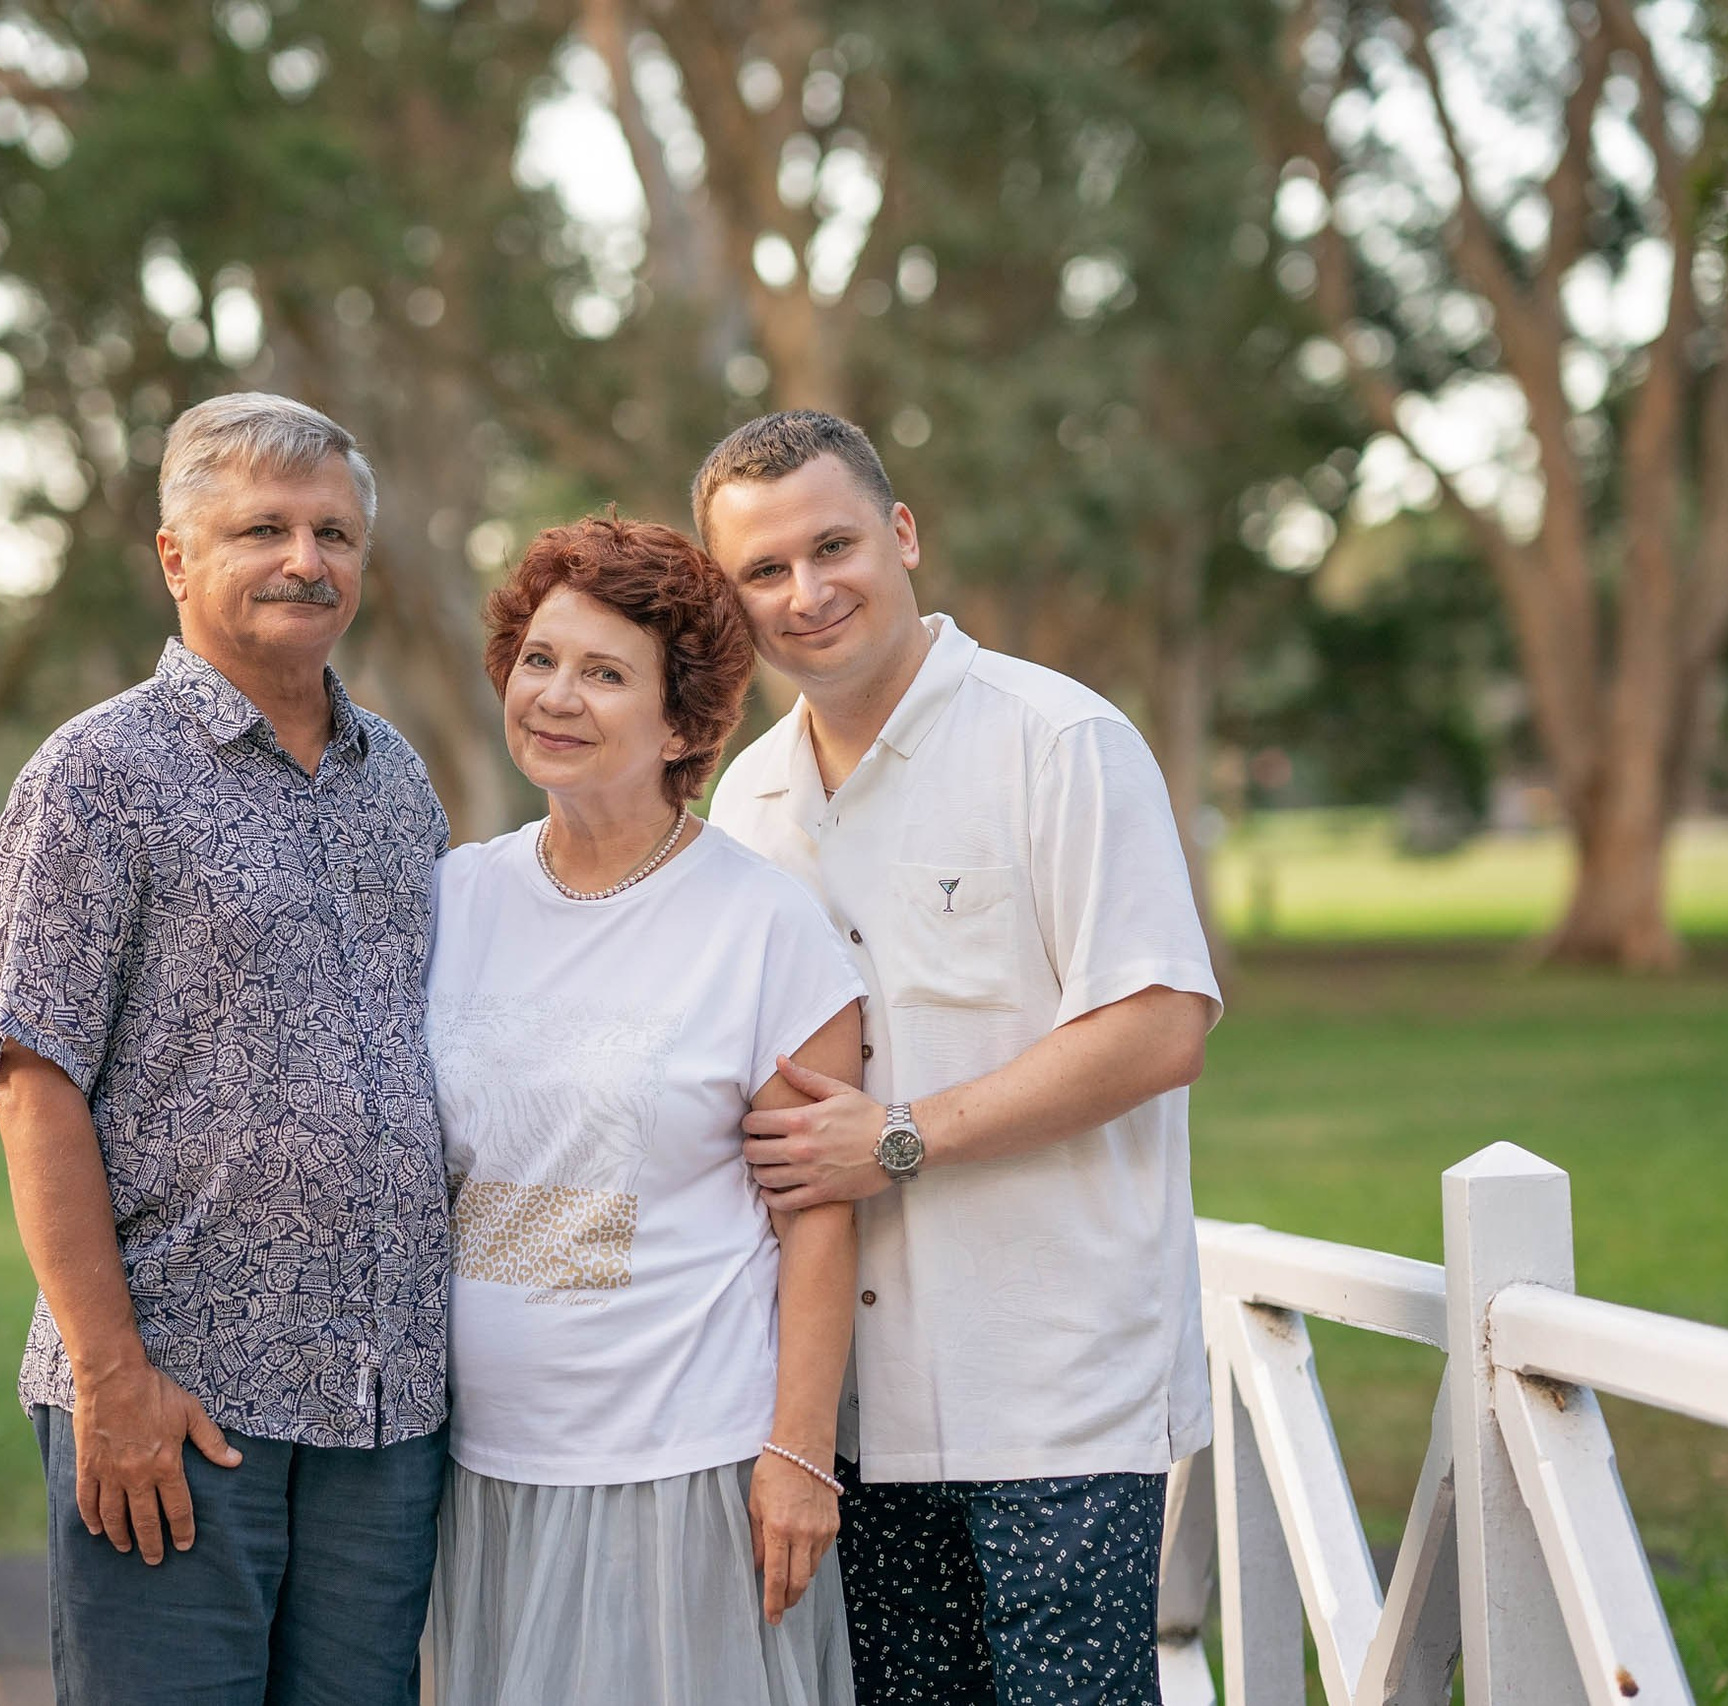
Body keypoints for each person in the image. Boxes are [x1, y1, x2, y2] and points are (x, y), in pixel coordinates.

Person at [696, 410, 1223, 1705]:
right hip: (854, 1419)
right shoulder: (748, 803)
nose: (807, 593)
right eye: (764, 571)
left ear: (904, 533)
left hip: (1052, 1389)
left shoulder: (1057, 742)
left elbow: (1162, 1021)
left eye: (834, 546)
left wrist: (900, 1132)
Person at [0, 393, 450, 1706]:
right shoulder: (95, 777)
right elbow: (33, 1081)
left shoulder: (396, 780)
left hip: (381, 1410)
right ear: (177, 557)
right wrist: (110, 1375)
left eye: (334, 532)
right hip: (181, 1402)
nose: (307, 559)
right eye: (263, 528)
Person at [426, 515, 867, 1706]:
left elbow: (817, 1216)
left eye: (605, 673)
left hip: (689, 1473)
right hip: (481, 1471)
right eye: (540, 659)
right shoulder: (452, 897)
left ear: (682, 722)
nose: (556, 696)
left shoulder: (765, 926)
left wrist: (798, 1452)